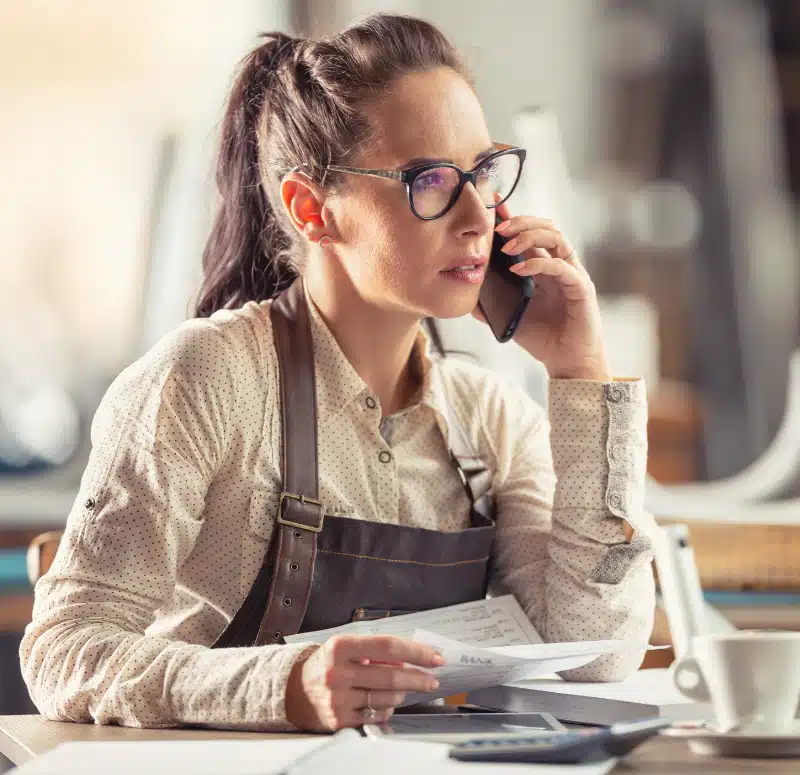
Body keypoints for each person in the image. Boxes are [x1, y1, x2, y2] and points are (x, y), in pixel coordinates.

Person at [20, 13, 657, 733]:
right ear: (311, 208)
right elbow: (64, 650)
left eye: (482, 172)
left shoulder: (491, 418)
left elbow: (593, 655)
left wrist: (581, 375)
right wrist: (281, 686)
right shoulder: (206, 380)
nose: (480, 216)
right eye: (432, 180)